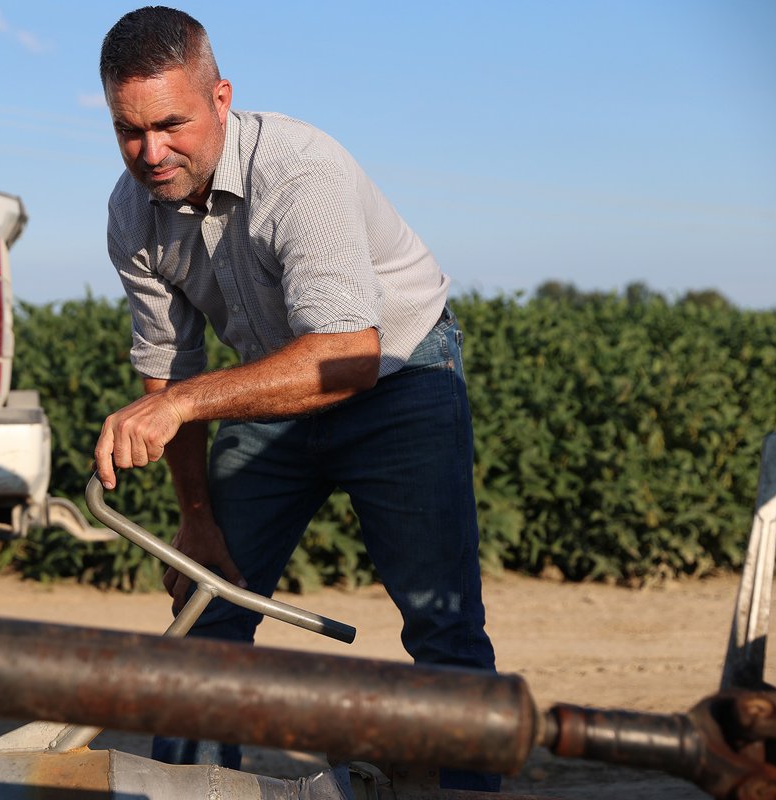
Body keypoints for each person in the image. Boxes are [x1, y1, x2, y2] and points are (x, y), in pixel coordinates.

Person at [93, 6, 499, 792]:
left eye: (170, 123)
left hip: (399, 381)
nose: (150, 152)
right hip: (270, 390)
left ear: (220, 99)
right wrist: (197, 519)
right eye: (127, 130)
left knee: (442, 624)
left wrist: (180, 405)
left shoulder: (298, 170)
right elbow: (169, 368)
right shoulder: (129, 212)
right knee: (204, 614)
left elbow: (348, 357)